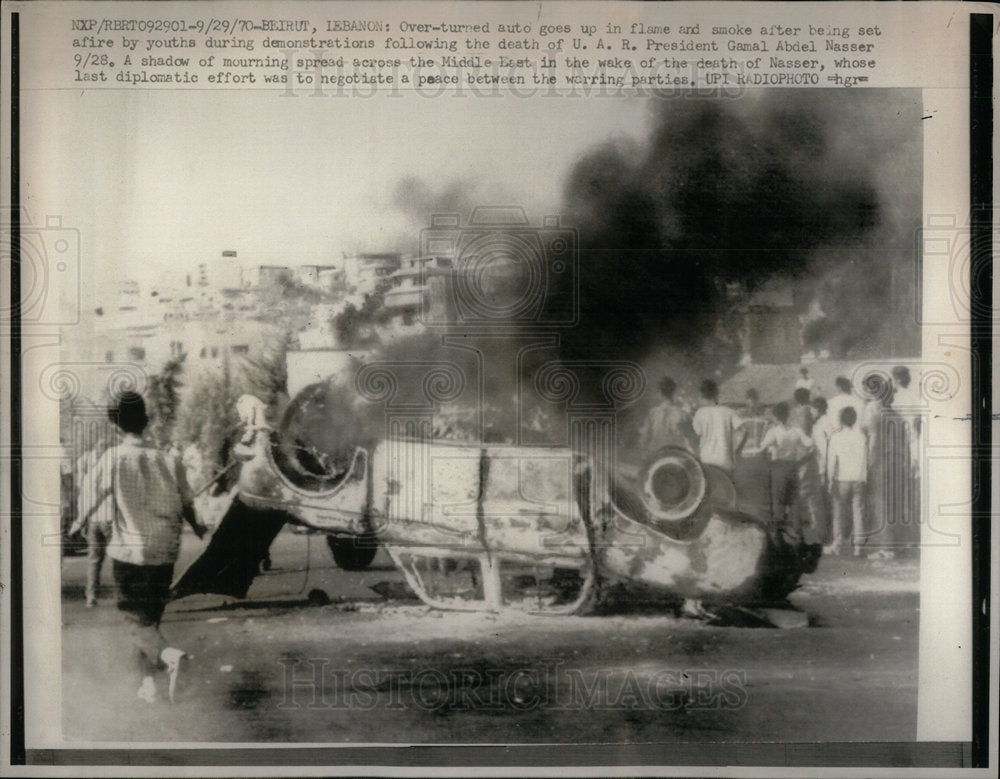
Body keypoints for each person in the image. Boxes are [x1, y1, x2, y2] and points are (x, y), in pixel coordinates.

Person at [76, 391, 208, 703]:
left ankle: (169, 655)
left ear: (115, 425)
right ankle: (149, 684)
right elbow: (188, 503)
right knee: (150, 618)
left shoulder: (113, 457)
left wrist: (76, 522)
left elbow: (91, 496)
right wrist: (199, 527)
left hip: (131, 551)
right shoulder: (168, 458)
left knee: (134, 621)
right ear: (145, 422)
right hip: (165, 549)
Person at [862, 376, 911, 560]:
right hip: (898, 463)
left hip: (882, 461)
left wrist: (868, 463)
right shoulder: (897, 417)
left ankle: (886, 547)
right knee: (896, 503)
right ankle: (898, 544)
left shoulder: (874, 412)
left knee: (881, 504)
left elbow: (873, 440)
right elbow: (905, 444)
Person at [759, 402, 815, 534]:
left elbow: (761, 448)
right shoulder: (797, 431)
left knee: (778, 501)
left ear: (776, 417)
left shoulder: (774, 431)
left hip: (778, 466)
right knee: (794, 500)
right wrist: (802, 461)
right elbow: (809, 443)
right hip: (793, 466)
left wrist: (767, 462)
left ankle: (778, 533)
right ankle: (798, 532)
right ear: (788, 415)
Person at [69, 444, 114, 607]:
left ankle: (91, 596)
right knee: (118, 559)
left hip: (93, 521)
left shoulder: (87, 479)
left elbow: (82, 503)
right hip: (110, 520)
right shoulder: (111, 476)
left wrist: (82, 523)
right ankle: (125, 597)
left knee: (94, 560)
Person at [826, 407, 867, 556]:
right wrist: (864, 477)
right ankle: (858, 547)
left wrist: (830, 479)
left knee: (838, 513)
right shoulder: (861, 436)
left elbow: (831, 461)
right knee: (858, 512)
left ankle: (837, 545)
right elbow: (865, 459)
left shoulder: (836, 437)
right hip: (859, 478)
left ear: (841, 419)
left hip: (841, 478)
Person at [692, 379, 747, 475]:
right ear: (716, 394)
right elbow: (745, 431)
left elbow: (695, 437)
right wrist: (737, 451)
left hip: (707, 460)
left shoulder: (700, 413)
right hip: (725, 460)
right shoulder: (728, 411)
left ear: (701, 395)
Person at [638, 376, 697, 454]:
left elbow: (644, 439)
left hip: (657, 455)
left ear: (659, 393)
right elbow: (693, 438)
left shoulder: (652, 413)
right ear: (674, 392)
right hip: (677, 455)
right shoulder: (684, 414)